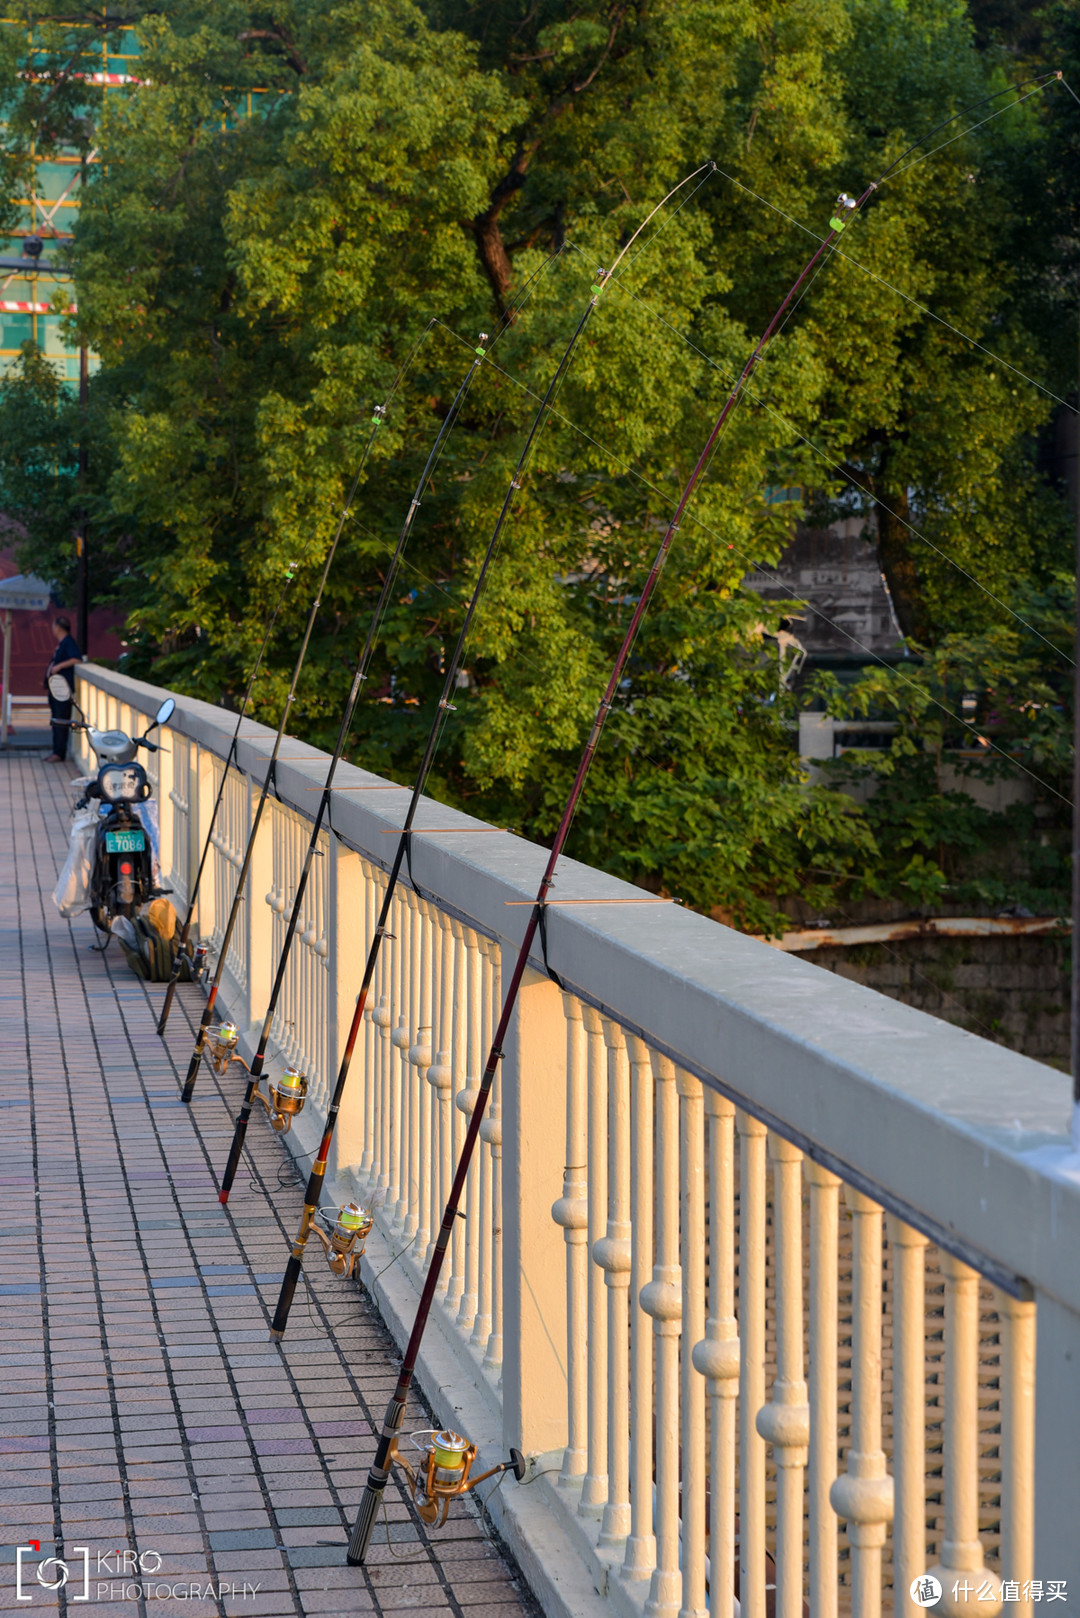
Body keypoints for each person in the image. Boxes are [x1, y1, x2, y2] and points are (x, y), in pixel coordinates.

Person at [43, 615, 82, 763]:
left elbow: (76, 658)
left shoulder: (68, 642)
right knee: (56, 720)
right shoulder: (62, 643)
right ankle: (56, 751)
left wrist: (58, 666)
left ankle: (59, 753)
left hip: (62, 691)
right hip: (55, 690)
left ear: (58, 627)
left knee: (60, 720)